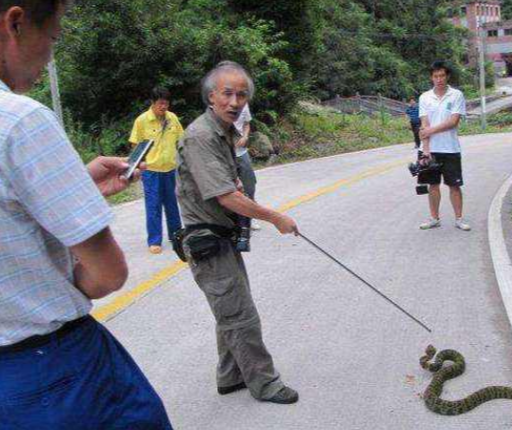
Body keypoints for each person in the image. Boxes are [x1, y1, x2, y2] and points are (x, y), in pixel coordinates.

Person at [0, 1, 172, 429]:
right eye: (53, 37)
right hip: (52, 371)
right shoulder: (21, 122)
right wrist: (61, 283)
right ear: (15, 23)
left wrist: (74, 184)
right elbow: (106, 274)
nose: (51, 55)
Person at [176, 61, 300, 404]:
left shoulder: (222, 132)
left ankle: (230, 376)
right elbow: (225, 196)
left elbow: (227, 187)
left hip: (220, 238)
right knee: (240, 315)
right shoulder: (201, 135)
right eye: (227, 93)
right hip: (207, 242)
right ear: (211, 95)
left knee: (230, 310)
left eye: (241, 95)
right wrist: (275, 217)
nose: (235, 101)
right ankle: (265, 383)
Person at [129, 87, 184, 254]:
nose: (164, 106)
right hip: (151, 170)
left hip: (170, 169)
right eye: (160, 103)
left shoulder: (172, 118)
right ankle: (154, 240)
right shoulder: (142, 120)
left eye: (166, 103)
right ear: (153, 103)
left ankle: (176, 236)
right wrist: (140, 165)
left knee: (172, 204)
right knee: (153, 206)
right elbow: (135, 144)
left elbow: (181, 139)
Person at [418, 60, 471, 231]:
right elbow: (423, 124)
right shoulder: (424, 97)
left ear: (447, 76)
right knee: (432, 185)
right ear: (431, 78)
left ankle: (459, 219)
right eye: (435, 76)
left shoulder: (456, 95)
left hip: (450, 148)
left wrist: (430, 130)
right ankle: (434, 218)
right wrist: (426, 151)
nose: (439, 79)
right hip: (430, 150)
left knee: (454, 185)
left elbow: (453, 122)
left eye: (442, 75)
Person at [233, 102, 261, 231]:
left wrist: (245, 136)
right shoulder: (219, 103)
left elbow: (246, 124)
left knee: (249, 185)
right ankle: (233, 221)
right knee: (229, 188)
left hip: (241, 152)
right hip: (225, 154)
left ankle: (250, 218)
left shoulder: (243, 104)